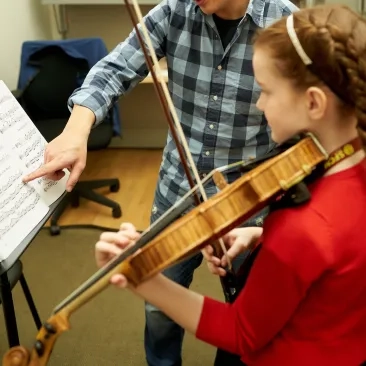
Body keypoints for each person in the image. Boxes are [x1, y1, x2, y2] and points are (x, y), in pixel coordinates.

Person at [22, 0, 298, 365]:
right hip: (177, 193)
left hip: (250, 201)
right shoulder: (175, 11)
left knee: (244, 311)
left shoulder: (287, 23)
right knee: (159, 307)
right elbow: (115, 69)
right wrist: (76, 130)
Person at [94, 4, 366, 366]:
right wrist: (261, 236)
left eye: (266, 90)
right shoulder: (349, 168)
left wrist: (143, 279)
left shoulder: (302, 228)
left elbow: (241, 332)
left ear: (314, 102)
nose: (258, 102)